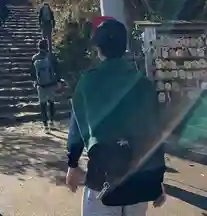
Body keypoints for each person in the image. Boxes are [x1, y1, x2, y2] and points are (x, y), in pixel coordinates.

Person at [66, 18, 166, 215]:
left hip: (100, 179)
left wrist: (72, 164)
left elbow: (76, 127)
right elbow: (155, 134)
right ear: (125, 47)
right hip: (139, 181)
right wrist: (157, 180)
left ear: (98, 48)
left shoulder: (88, 82)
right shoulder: (143, 84)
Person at [31, 39, 62, 132]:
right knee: (51, 103)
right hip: (51, 84)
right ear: (47, 46)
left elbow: (32, 72)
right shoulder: (51, 57)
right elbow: (57, 69)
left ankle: (45, 126)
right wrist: (58, 81)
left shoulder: (34, 58)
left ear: (38, 47)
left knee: (42, 105)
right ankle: (51, 122)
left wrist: (34, 81)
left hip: (40, 85)